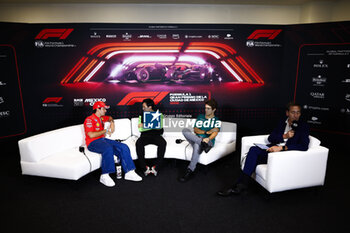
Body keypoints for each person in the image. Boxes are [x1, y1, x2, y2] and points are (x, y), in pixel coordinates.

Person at [217, 102, 310, 196]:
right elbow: (271, 138)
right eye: (293, 112)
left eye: (298, 112)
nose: (296, 115)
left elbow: (304, 146)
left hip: (284, 154)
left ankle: (239, 185)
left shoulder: (303, 126)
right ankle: (241, 184)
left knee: (252, 157)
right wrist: (284, 136)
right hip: (272, 149)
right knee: (253, 150)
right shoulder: (282, 122)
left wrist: (282, 148)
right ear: (287, 113)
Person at [84, 101, 142, 187]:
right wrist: (106, 130)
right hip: (92, 143)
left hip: (103, 140)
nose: (105, 111)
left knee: (124, 146)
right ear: (98, 109)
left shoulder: (102, 118)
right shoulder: (89, 119)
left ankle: (129, 172)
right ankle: (104, 175)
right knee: (108, 149)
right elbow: (91, 135)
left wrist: (112, 123)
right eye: (103, 109)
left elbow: (110, 118)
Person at [178, 98, 221, 182]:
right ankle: (201, 143)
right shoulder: (200, 117)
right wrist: (205, 132)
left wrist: (208, 138)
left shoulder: (216, 120)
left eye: (208, 108)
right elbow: (195, 130)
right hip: (197, 139)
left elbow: (215, 132)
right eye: (205, 108)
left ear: (214, 109)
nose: (206, 110)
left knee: (197, 145)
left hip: (208, 142)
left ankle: (190, 170)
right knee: (185, 130)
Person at [136, 98, 167, 176]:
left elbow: (159, 127)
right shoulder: (141, 115)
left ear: (150, 107)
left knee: (163, 143)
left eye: (144, 107)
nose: (143, 108)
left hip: (156, 135)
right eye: (142, 107)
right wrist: (152, 124)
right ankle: (144, 168)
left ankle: (156, 168)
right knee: (138, 143)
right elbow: (140, 128)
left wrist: (145, 124)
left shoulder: (159, 114)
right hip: (145, 135)